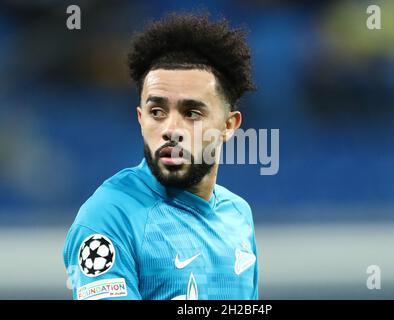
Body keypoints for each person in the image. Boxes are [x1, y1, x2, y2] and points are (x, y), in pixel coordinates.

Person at [63, 12, 258, 300]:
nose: (171, 129)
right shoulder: (108, 217)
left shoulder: (239, 215)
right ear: (141, 118)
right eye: (157, 112)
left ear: (229, 125)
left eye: (192, 113)